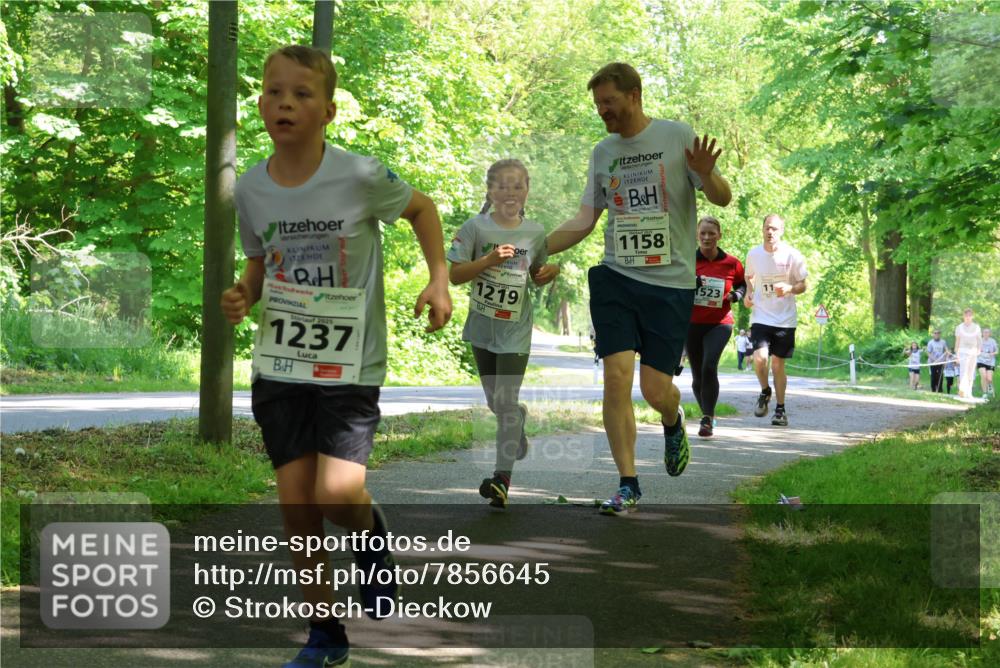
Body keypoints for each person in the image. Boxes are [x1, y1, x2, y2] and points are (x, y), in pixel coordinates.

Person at [220, 45, 452, 668]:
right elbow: (259, 263)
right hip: (281, 362)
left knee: (336, 494)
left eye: (300, 93)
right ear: (261, 103)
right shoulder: (251, 188)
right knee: (299, 507)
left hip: (349, 363)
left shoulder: (358, 175)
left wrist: (438, 278)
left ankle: (369, 539)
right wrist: (246, 295)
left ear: (327, 110)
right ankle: (326, 636)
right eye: (273, 91)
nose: (284, 102)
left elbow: (422, 208)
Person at [544, 62, 731, 515]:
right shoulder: (603, 151)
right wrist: (535, 248)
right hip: (617, 278)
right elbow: (585, 220)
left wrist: (706, 174)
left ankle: (673, 417)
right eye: (597, 105)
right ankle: (628, 483)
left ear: (635, 94)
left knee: (654, 389)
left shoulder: (674, 135)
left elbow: (721, 198)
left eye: (609, 102)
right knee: (615, 379)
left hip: (670, 285)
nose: (602, 111)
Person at [447, 158, 559, 509]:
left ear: (527, 191)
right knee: (497, 403)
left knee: (506, 402)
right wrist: (488, 261)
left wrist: (549, 271)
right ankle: (518, 421)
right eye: (502, 186)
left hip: (516, 331)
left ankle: (501, 480)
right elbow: (455, 275)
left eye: (517, 186)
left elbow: (538, 270)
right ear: (490, 191)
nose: (510, 193)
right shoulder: (474, 228)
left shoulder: (536, 232)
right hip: (482, 327)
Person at [743, 214, 808, 426]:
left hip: (785, 320)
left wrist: (790, 288)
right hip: (761, 315)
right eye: (767, 228)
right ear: (762, 229)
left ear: (781, 231)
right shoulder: (754, 254)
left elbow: (803, 284)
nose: (770, 232)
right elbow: (748, 276)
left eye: (774, 229)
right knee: (760, 359)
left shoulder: (793, 255)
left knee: (778, 365)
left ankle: (780, 410)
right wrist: (749, 292)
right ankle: (764, 391)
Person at [688, 216, 746, 437]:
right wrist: (689, 282)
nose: (706, 237)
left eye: (711, 233)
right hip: (692, 324)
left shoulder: (732, 263)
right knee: (697, 377)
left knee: (709, 365)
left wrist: (737, 295)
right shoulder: (687, 260)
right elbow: (673, 284)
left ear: (719, 236)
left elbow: (742, 285)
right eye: (703, 233)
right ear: (697, 235)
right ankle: (707, 414)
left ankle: (707, 419)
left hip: (719, 323)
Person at [954, 308, 982, 398]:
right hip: (962, 352)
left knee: (971, 372)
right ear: (963, 316)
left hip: (973, 352)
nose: (968, 317)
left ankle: (969, 392)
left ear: (972, 316)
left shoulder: (977, 327)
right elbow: (957, 341)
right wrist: (956, 354)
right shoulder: (959, 327)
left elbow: (979, 340)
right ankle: (962, 392)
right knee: (963, 372)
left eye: (969, 315)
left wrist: (979, 350)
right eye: (966, 315)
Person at [926, 329, 948, 393]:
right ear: (933, 334)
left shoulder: (943, 342)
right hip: (933, 362)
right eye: (935, 333)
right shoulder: (930, 342)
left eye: (938, 333)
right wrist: (935, 360)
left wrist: (945, 360)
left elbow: (946, 351)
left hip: (941, 362)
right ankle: (933, 390)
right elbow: (928, 353)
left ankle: (940, 390)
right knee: (933, 376)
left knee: (940, 376)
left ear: (940, 334)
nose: (936, 334)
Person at [978, 326, 996, 398]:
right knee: (983, 376)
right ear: (982, 333)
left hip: (990, 362)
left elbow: (996, 351)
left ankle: (991, 389)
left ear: (989, 333)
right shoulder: (979, 340)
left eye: (987, 332)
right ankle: (984, 393)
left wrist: (992, 353)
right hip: (981, 361)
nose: (986, 333)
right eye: (984, 332)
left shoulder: (993, 341)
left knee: (989, 379)